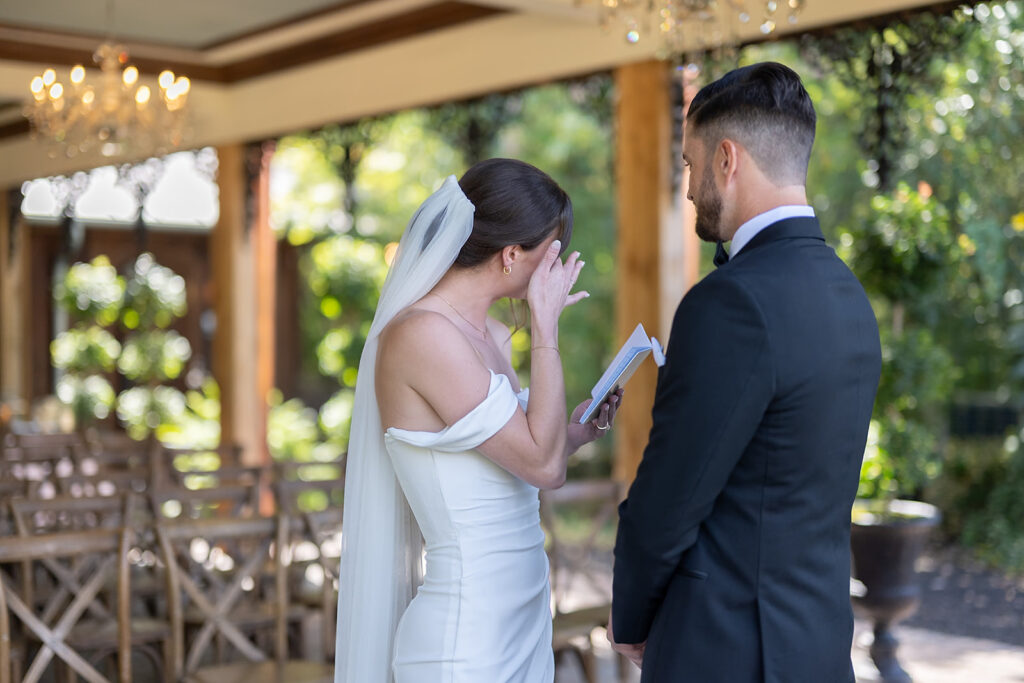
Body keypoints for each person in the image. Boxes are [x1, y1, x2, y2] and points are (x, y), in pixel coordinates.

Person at [608, 62, 882, 682]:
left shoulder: (728, 302)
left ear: (726, 160)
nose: (687, 188)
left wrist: (630, 618)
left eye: (688, 164)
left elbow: (668, 500)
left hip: (725, 648)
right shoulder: (849, 296)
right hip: (816, 643)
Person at [335, 157, 622, 682]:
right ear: (512, 255)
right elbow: (543, 467)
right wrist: (545, 330)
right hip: (463, 639)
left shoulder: (489, 334)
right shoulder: (421, 335)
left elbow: (523, 453)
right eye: (551, 253)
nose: (557, 270)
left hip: (521, 617)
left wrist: (577, 431)